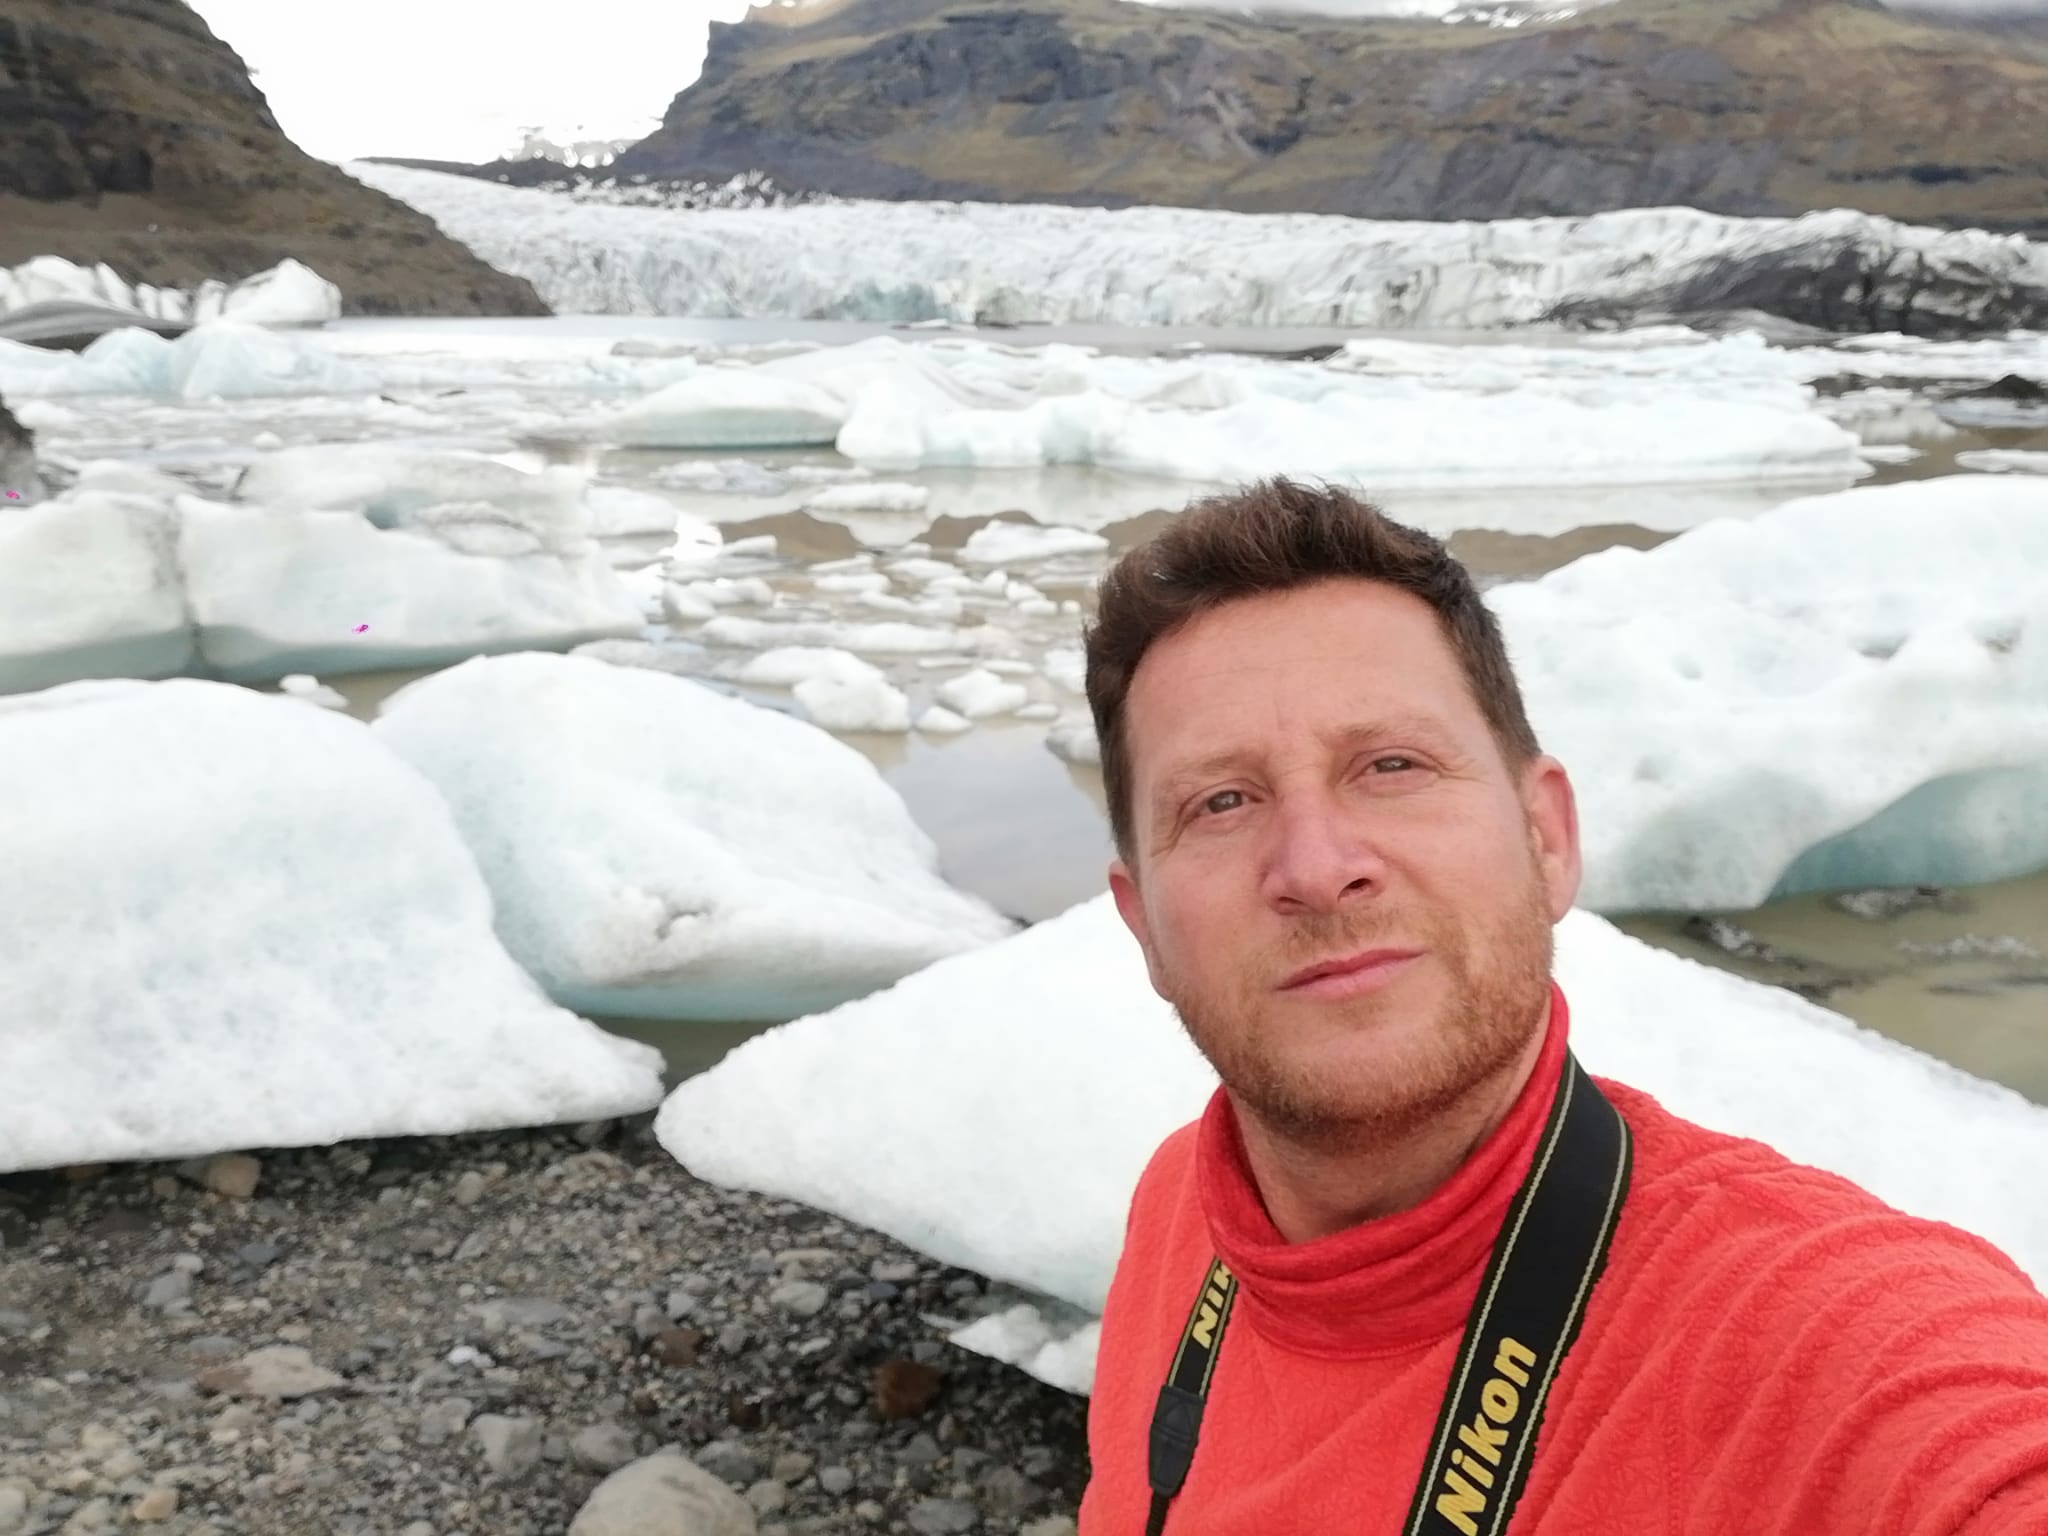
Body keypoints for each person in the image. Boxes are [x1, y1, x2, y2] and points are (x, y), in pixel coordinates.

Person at [1074, 478, 2048, 1535]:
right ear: (1141, 928)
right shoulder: (1181, 1212)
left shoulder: (1829, 1349)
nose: (1315, 867)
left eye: (1390, 765)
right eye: (1219, 802)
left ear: (1545, 841)